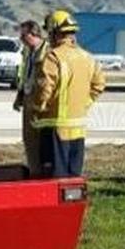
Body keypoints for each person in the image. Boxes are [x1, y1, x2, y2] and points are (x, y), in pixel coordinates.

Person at [31, 10, 107, 177]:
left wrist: (36, 108)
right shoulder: (87, 57)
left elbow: (44, 89)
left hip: (54, 129)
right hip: (78, 129)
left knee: (55, 179)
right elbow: (99, 84)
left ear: (55, 33)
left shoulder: (53, 57)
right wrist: (85, 103)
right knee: (73, 178)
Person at [13, 20, 47, 174]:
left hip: (40, 102)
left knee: (41, 140)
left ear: (34, 34)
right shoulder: (27, 51)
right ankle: (34, 170)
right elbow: (25, 74)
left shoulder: (47, 51)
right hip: (27, 98)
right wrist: (19, 96)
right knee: (29, 139)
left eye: (23, 34)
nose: (21, 38)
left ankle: (42, 170)